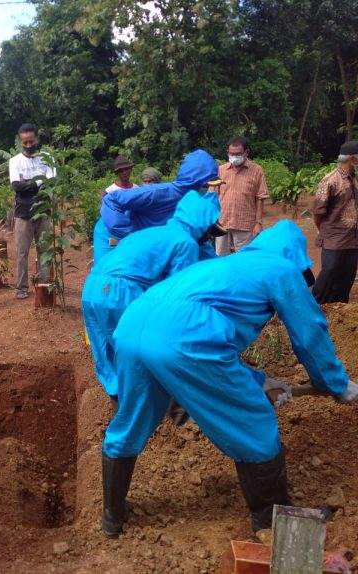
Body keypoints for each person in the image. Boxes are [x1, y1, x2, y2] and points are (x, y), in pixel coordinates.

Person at [102, 220, 358, 538]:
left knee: (131, 419)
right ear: (294, 255)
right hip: (182, 336)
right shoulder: (280, 268)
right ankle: (272, 521)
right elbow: (309, 333)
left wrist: (257, 380)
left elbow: (204, 341)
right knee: (254, 421)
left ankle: (112, 516)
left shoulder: (226, 266)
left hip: (132, 327)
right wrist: (334, 383)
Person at [81, 191, 223, 410]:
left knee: (108, 347)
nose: (209, 238)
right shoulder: (186, 243)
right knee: (142, 344)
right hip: (119, 290)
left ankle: (119, 401)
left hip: (91, 288)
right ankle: (156, 407)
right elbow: (177, 293)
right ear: (202, 225)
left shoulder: (156, 232)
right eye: (210, 231)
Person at [94, 149, 219, 263]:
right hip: (111, 232)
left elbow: (198, 241)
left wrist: (219, 266)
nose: (207, 191)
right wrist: (128, 235)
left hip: (144, 238)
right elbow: (111, 200)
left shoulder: (194, 205)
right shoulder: (158, 193)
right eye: (205, 186)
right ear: (194, 183)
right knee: (111, 275)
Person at [9, 123, 56, 299]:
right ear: (21, 142)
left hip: (44, 212)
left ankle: (43, 285)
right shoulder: (14, 161)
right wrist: (39, 181)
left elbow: (52, 183)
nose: (29, 146)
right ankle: (21, 288)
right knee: (22, 253)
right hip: (23, 214)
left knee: (45, 250)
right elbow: (17, 187)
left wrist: (27, 183)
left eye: (31, 141)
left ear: (37, 139)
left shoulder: (47, 158)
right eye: (25, 142)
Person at [311, 140, 358, 303]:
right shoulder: (330, 180)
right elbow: (318, 212)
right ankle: (314, 305)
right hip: (334, 238)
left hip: (352, 239)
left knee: (347, 276)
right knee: (329, 272)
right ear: (353, 159)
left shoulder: (354, 179)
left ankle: (338, 310)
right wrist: (323, 231)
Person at [215, 136, 270, 256]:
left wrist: (258, 223)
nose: (234, 157)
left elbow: (260, 197)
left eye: (238, 154)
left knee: (245, 259)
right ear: (227, 152)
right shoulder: (220, 170)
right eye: (231, 153)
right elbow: (212, 195)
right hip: (222, 223)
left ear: (246, 152)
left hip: (245, 224)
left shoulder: (256, 171)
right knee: (220, 259)